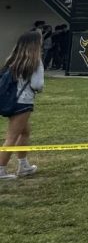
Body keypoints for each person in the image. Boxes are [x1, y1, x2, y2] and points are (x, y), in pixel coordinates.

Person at [0, 29, 46, 180]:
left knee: (25, 132)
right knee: (12, 137)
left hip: (11, 100)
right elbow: (37, 84)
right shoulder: (35, 61)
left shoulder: (13, 59)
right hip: (23, 102)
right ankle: (1, 169)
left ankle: (23, 165)